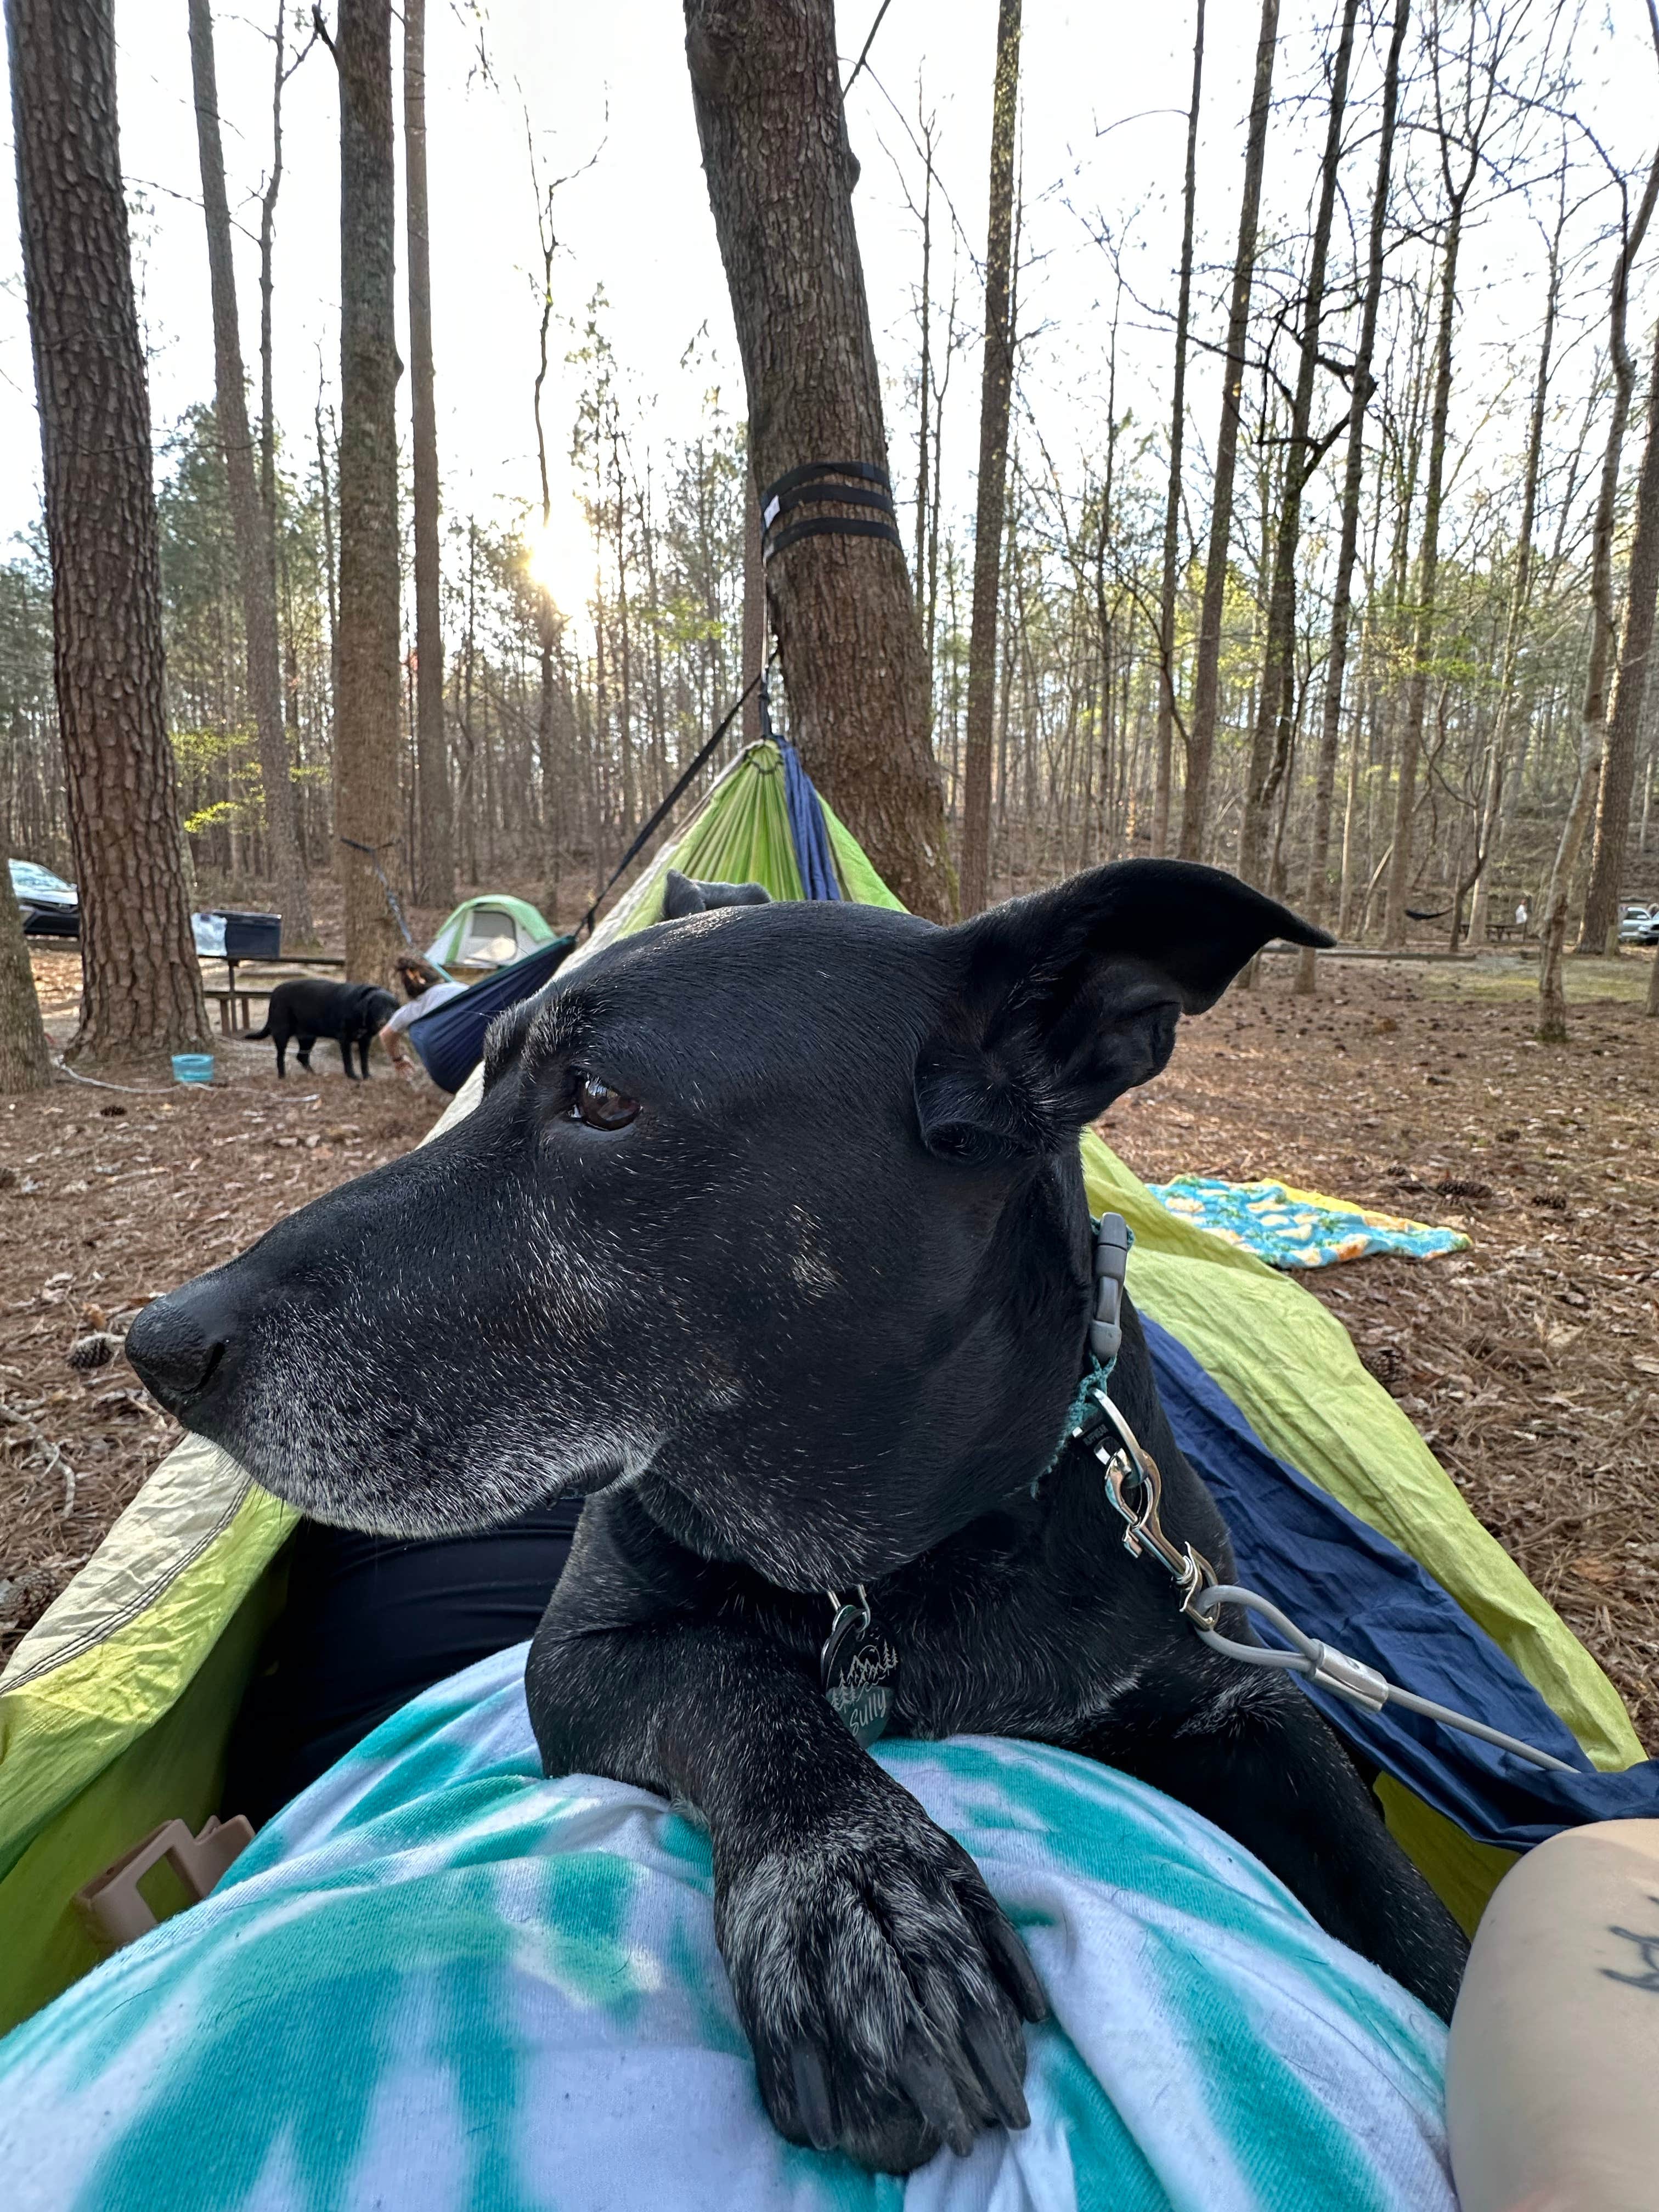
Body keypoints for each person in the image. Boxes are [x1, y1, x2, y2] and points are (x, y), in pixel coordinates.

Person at [379, 952, 466, 1073]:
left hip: (448, 1064)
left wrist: (398, 1059)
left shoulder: (414, 1009)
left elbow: (386, 1035)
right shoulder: (460, 989)